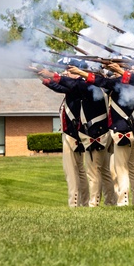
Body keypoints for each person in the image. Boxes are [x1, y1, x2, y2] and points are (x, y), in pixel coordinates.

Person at [56, 63, 116, 206]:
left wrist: (53, 76)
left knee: (94, 172)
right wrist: (44, 76)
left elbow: (71, 84)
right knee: (103, 171)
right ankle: (110, 201)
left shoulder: (92, 88)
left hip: (96, 136)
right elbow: (62, 86)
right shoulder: (95, 88)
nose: (66, 73)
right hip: (98, 135)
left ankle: (94, 203)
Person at [89, 59, 134, 205]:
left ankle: (123, 201)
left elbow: (101, 82)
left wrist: (114, 71)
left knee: (121, 168)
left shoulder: (120, 82)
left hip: (122, 130)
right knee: (131, 168)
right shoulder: (133, 83)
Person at [38, 63, 87, 207]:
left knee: (72, 172)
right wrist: (42, 76)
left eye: (69, 71)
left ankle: (75, 202)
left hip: (72, 134)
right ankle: (83, 202)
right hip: (72, 133)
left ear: (77, 73)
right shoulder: (75, 86)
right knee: (79, 170)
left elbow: (62, 85)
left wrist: (50, 76)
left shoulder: (77, 85)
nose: (66, 73)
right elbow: (58, 87)